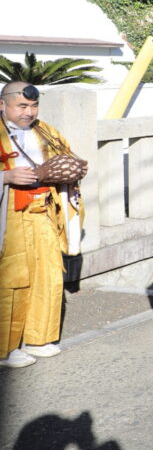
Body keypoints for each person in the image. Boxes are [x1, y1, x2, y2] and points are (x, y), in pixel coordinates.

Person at [0, 82, 86, 368]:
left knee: (49, 274)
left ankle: (39, 338)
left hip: (43, 210)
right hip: (9, 215)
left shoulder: (45, 131)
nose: (29, 112)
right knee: (12, 280)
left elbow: (65, 157)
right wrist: (5, 178)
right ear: (3, 105)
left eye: (33, 106)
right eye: (22, 106)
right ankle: (5, 348)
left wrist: (73, 169)